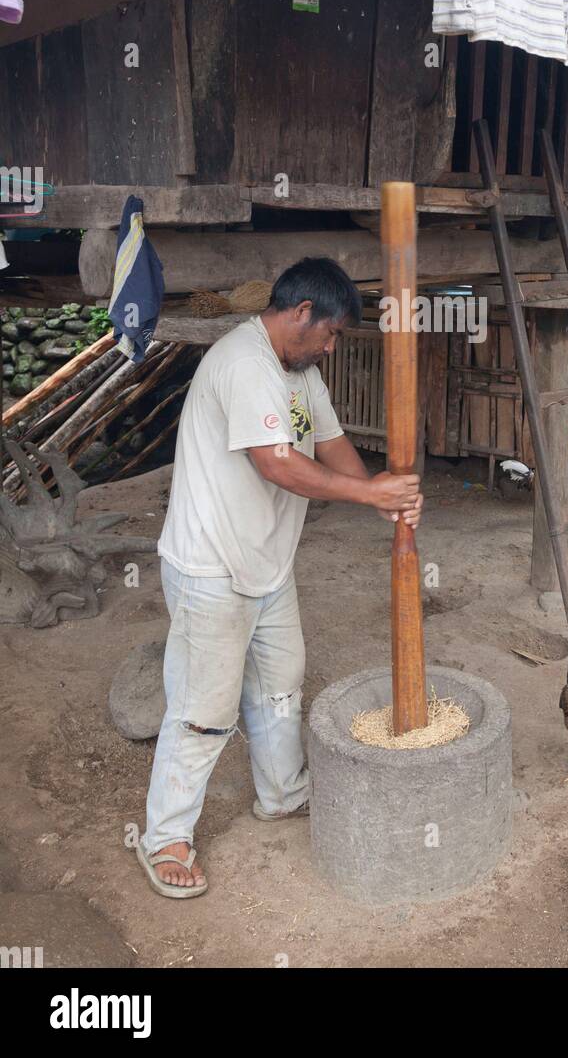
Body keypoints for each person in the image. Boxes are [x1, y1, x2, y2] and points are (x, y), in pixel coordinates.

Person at [137, 257, 422, 898]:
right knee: (204, 709)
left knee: (279, 683)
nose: (331, 345)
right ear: (300, 314)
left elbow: (331, 445)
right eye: (329, 333)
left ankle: (282, 793)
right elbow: (278, 465)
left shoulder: (300, 372)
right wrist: (368, 496)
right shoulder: (244, 364)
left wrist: (385, 494)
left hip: (267, 564)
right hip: (212, 566)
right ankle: (166, 839)